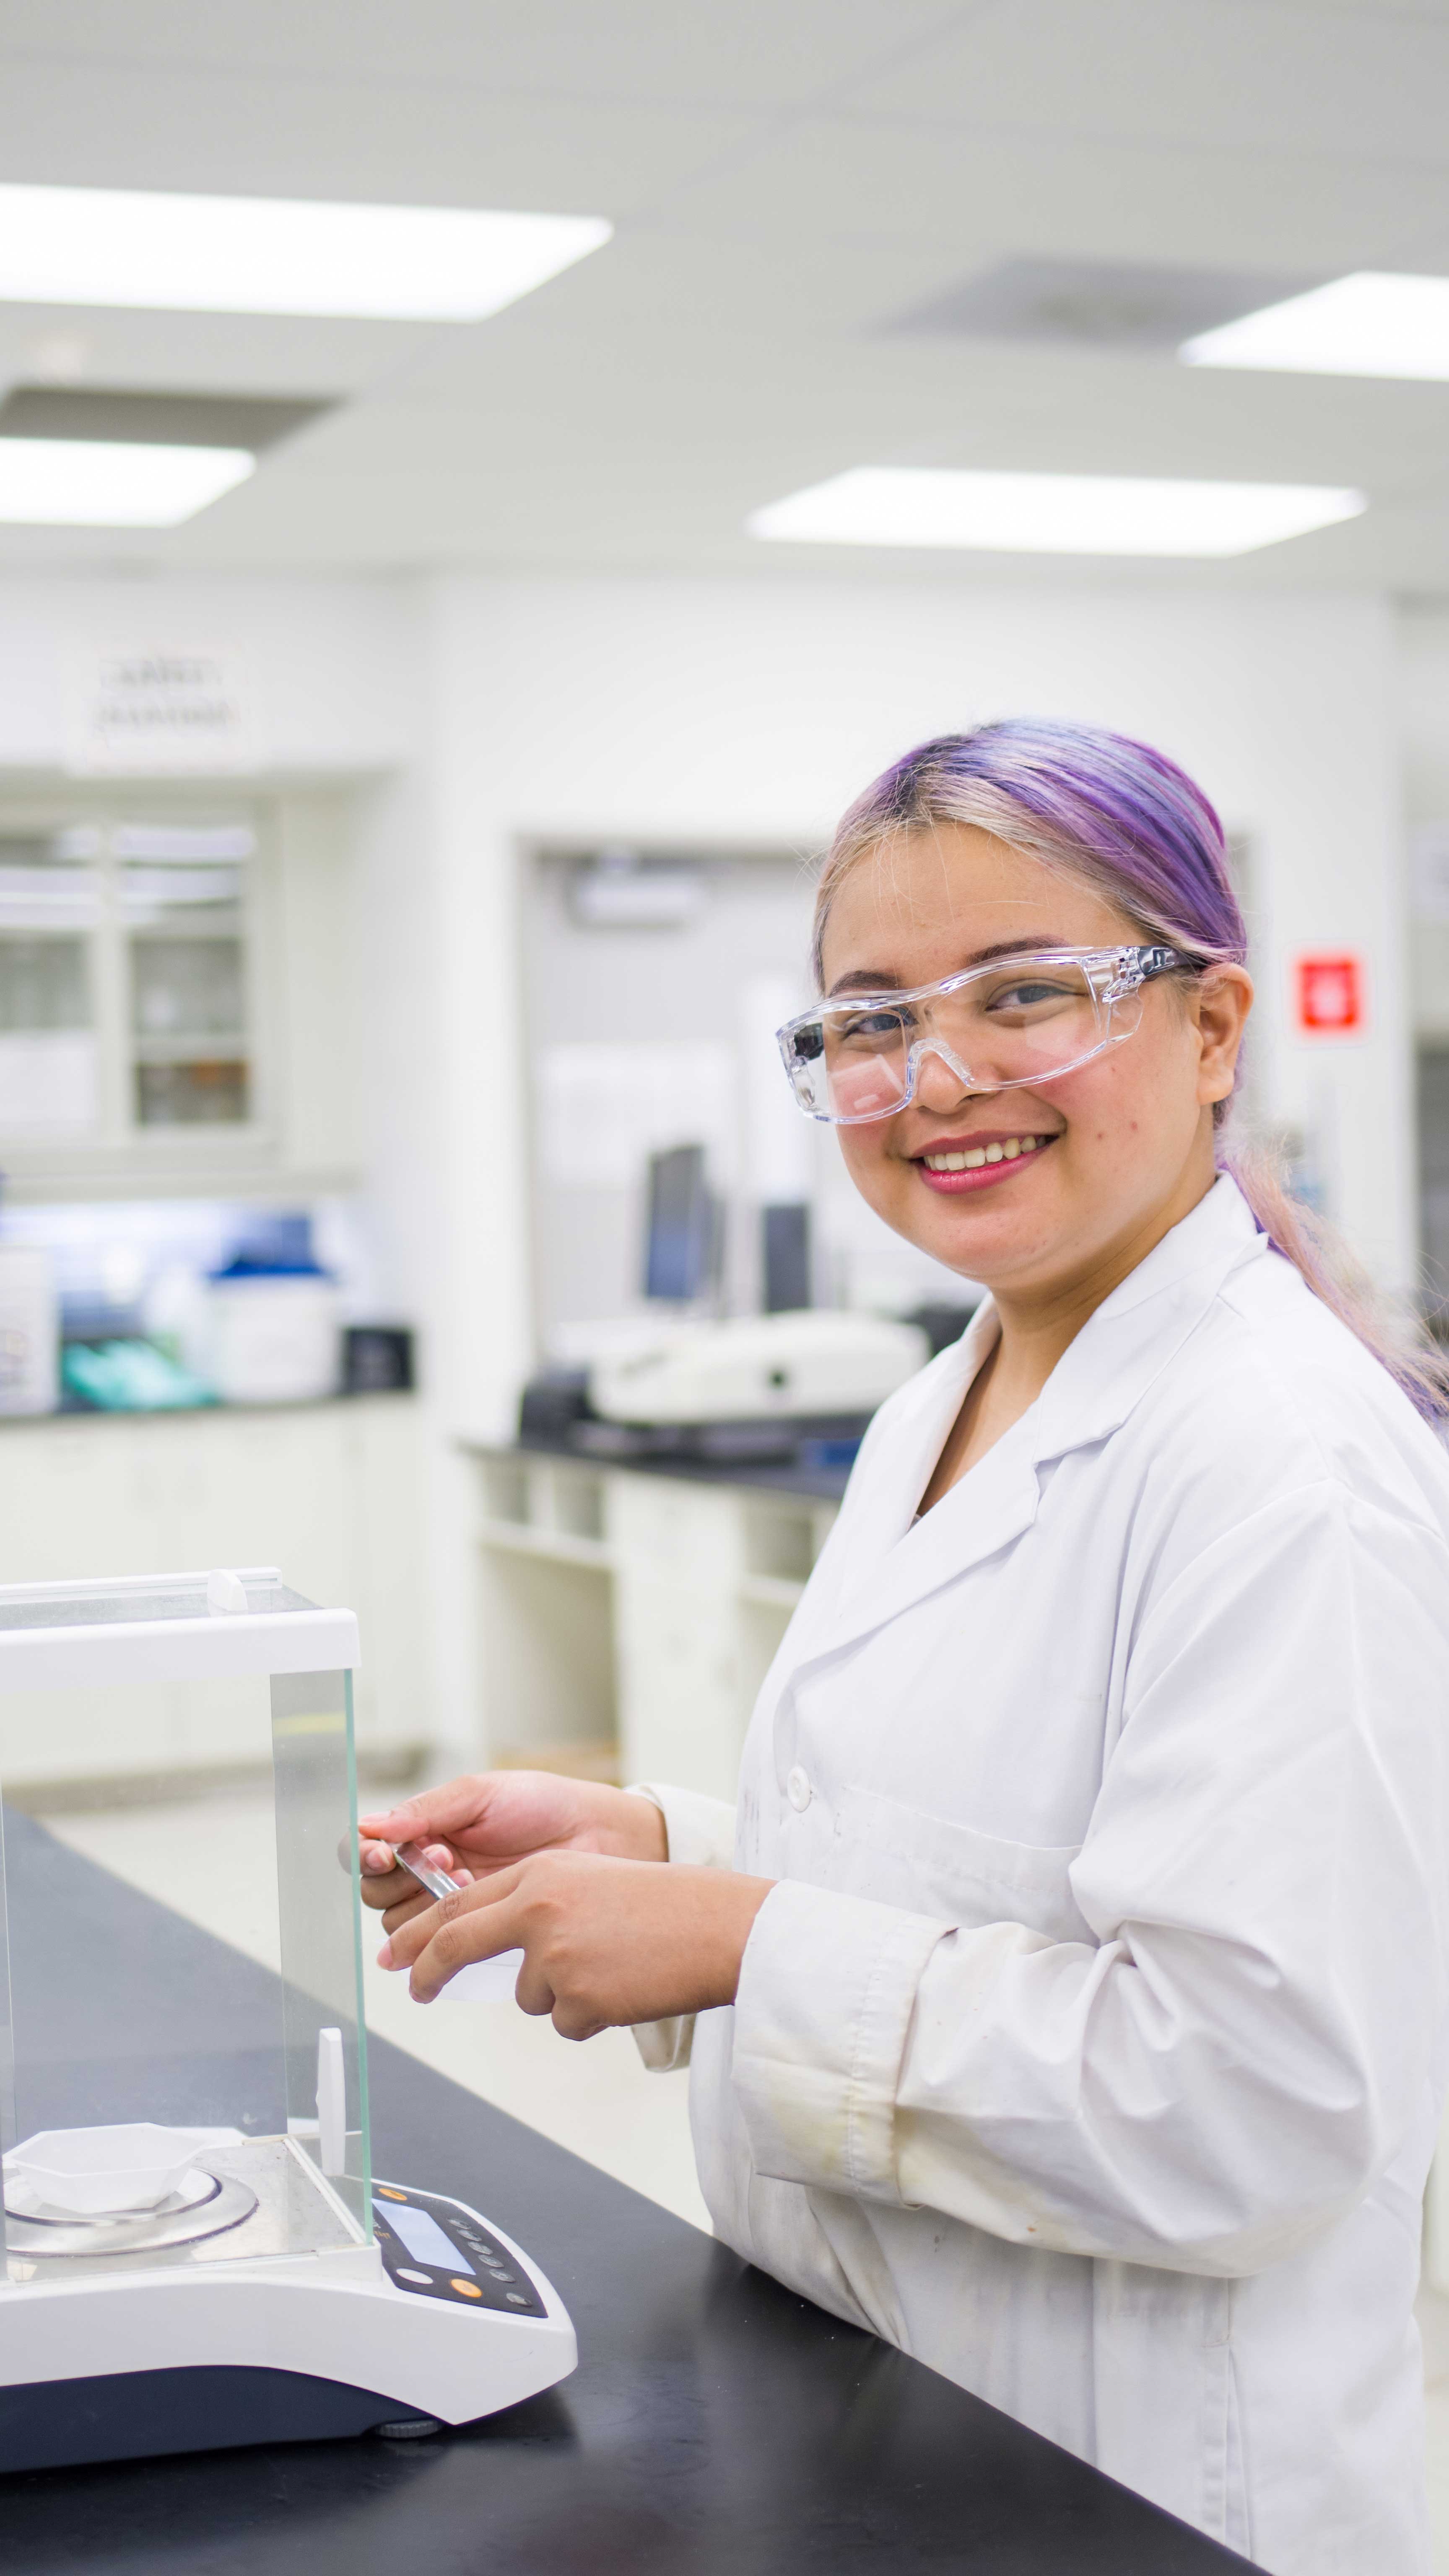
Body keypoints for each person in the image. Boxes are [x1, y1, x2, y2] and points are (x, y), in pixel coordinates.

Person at [359, 722, 1449, 2576]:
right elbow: (977, 1872)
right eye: (869, 1021)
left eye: (1027, 993)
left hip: (1146, 2497)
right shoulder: (941, 1397)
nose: (937, 1076)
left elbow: (1259, 2107)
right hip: (895, 2423)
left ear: (1209, 1031)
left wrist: (740, 1943)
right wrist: (672, 1856)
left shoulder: (1285, 1468)